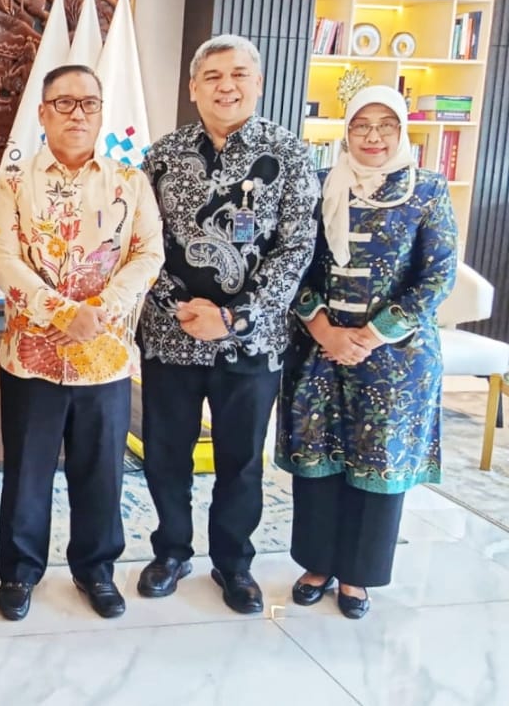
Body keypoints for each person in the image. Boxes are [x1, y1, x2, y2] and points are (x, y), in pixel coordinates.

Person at [138, 34, 318, 614]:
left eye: (239, 74)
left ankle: (234, 563)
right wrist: (180, 308)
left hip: (253, 341)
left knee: (240, 461)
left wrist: (235, 317)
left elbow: (297, 249)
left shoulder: (289, 155)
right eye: (213, 76)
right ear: (193, 87)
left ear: (258, 83)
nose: (226, 86)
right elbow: (140, 243)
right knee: (166, 453)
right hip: (172, 335)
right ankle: (171, 551)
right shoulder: (161, 156)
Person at [0, 64, 164, 621]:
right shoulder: (11, 183)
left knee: (101, 471)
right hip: (30, 359)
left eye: (88, 103)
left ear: (102, 112)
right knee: (27, 474)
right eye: (64, 103)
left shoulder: (130, 182)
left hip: (105, 359)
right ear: (42, 113)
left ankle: (96, 570)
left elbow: (149, 254)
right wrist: (61, 312)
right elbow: (2, 259)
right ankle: (19, 572)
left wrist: (99, 311)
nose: (77, 113)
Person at [277, 85, 456, 619]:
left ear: (402, 131)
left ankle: (357, 575)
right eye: (361, 125)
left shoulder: (426, 190)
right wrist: (326, 331)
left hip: (397, 358)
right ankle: (316, 565)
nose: (373, 136)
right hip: (321, 350)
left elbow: (438, 275)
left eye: (385, 125)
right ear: (346, 132)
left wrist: (374, 334)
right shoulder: (318, 187)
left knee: (377, 461)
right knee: (320, 459)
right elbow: (293, 264)